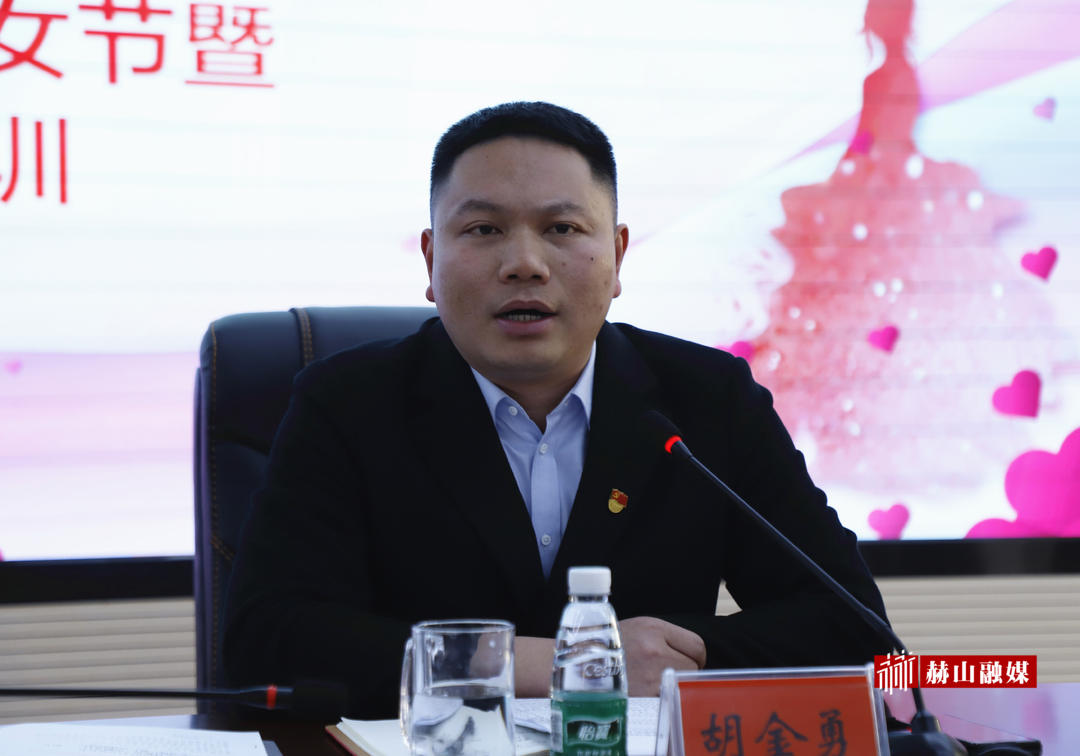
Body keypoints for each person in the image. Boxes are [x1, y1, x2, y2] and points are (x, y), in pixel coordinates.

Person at [224, 101, 889, 718]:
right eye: (484, 229)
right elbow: (267, 642)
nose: (525, 264)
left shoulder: (707, 399)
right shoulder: (346, 402)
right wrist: (574, 665)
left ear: (618, 257)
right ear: (431, 259)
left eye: (562, 228)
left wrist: (678, 659)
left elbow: (856, 632)